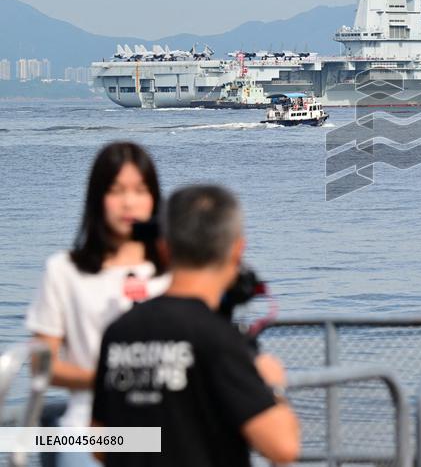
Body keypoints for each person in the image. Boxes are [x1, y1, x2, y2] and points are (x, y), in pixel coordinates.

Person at [91, 185, 300, 466]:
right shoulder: (220, 339)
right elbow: (283, 447)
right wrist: (273, 386)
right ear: (237, 249)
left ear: (164, 248)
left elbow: (99, 444)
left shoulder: (119, 332)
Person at [25, 142, 170, 467]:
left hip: (167, 430)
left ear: (154, 199)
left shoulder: (173, 275)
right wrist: (107, 379)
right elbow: (41, 365)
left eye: (140, 190)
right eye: (116, 190)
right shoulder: (63, 270)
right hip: (88, 431)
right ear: (97, 198)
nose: (129, 202)